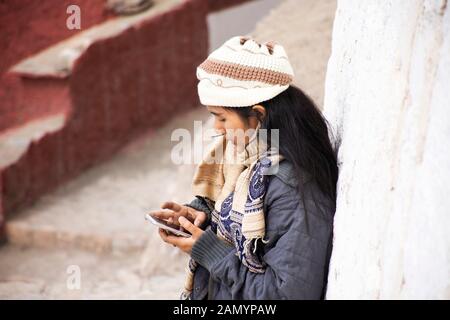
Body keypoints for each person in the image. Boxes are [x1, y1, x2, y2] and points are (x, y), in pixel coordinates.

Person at [150, 35, 338, 300]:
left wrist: (210, 251)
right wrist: (201, 216)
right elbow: (234, 221)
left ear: (258, 115)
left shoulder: (293, 188)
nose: (216, 128)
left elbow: (286, 295)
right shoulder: (243, 163)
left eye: (222, 117)